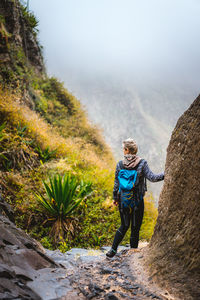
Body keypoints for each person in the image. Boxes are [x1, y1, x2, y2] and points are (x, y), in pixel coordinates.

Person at [106, 138, 164, 258]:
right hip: (137, 200)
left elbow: (116, 183)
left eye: (124, 149)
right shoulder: (142, 163)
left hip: (123, 199)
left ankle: (112, 250)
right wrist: (167, 173)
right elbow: (153, 178)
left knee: (124, 225)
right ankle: (132, 253)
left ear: (127, 150)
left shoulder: (120, 164)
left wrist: (115, 198)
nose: (123, 150)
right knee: (135, 227)